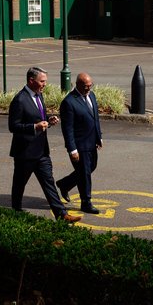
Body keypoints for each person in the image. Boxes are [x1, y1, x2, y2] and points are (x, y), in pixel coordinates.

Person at [8, 66, 81, 223]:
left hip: (41, 151)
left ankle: (62, 214)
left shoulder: (39, 96)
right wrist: (35, 127)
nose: (45, 84)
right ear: (31, 80)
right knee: (19, 183)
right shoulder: (19, 100)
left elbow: (38, 116)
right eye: (42, 81)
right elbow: (13, 126)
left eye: (45, 81)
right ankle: (15, 210)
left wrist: (49, 119)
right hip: (25, 152)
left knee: (49, 182)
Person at [57, 72, 103, 214]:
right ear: (77, 85)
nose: (88, 89)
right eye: (85, 86)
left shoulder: (92, 96)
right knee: (84, 173)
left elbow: (95, 117)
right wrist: (72, 150)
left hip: (91, 142)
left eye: (90, 85)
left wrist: (98, 137)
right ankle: (86, 202)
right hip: (79, 145)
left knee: (91, 167)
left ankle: (64, 184)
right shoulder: (69, 102)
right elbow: (68, 129)